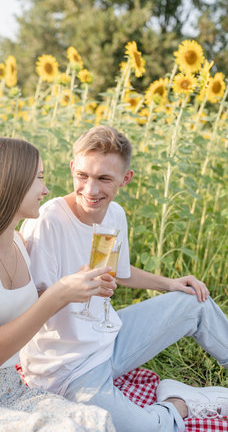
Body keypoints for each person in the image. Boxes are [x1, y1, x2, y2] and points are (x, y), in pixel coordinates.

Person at [19, 125, 228, 432]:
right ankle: (180, 402)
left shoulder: (115, 214)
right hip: (69, 368)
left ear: (124, 180)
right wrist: (71, 288)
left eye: (104, 178)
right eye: (83, 176)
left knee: (194, 301)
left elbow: (121, 271)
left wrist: (171, 284)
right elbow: (29, 307)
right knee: (143, 429)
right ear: (73, 168)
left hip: (109, 339)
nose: (91, 190)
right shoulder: (47, 222)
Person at [0, 136, 116, 431]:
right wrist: (57, 295)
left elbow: (33, 303)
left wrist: (76, 286)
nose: (46, 189)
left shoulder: (18, 242)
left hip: (11, 388)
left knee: (94, 420)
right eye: (39, 178)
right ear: (10, 183)